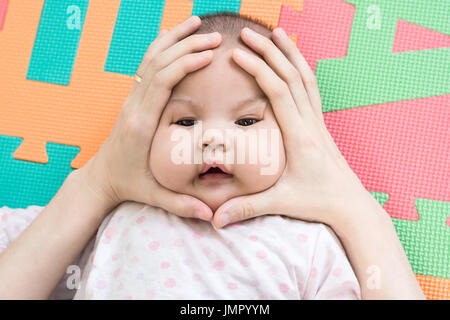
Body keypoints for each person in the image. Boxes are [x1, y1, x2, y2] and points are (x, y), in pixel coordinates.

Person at [0, 13, 424, 299]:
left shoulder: (310, 243)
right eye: (185, 122)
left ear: (296, 140)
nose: (213, 141)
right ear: (141, 137)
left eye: (246, 122)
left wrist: (358, 213)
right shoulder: (100, 220)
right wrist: (97, 185)